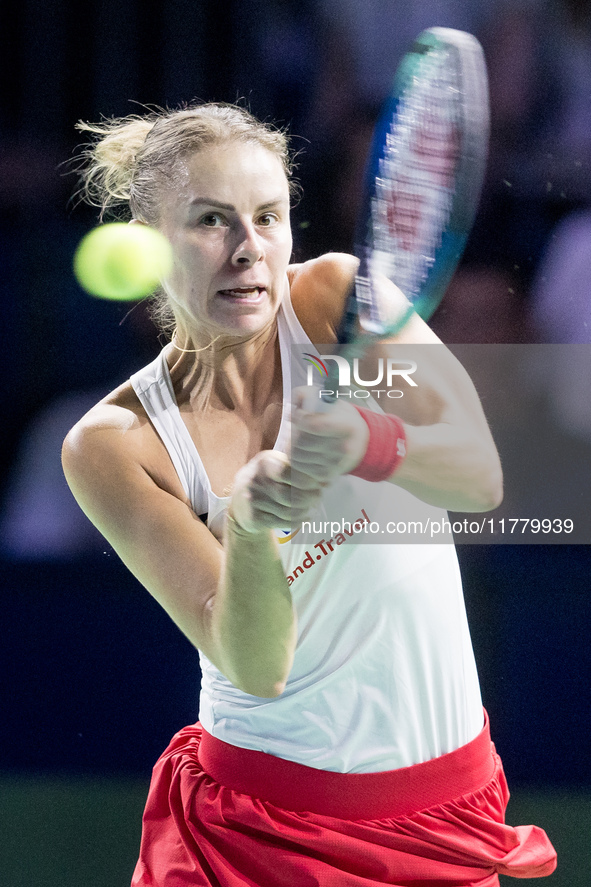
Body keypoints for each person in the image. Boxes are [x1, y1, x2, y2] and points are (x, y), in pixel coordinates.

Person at [62, 103, 556, 886]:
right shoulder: (118, 444)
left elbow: (477, 474)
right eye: (211, 221)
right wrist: (254, 529)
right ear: (149, 239)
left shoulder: (336, 309)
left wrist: (368, 440)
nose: (247, 250)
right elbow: (253, 662)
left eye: (267, 216)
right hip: (261, 833)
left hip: (445, 813)